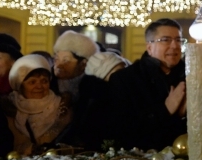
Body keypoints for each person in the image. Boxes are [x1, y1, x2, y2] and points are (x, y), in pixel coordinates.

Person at [108, 18, 187, 150]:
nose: (174, 46)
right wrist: (165, 110)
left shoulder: (191, 77)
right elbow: (122, 130)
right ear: (149, 47)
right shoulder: (125, 79)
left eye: (178, 40)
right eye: (166, 40)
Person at [7, 54, 73, 156]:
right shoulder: (8, 109)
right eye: (32, 82)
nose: (39, 86)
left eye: (44, 81)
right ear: (20, 85)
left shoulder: (63, 108)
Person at [78, 51, 130, 150]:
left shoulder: (126, 93)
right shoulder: (95, 103)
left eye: (125, 70)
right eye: (118, 72)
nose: (124, 75)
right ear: (102, 75)